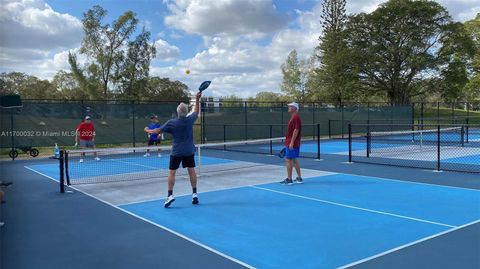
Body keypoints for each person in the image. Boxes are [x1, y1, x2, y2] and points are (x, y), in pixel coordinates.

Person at [147, 92, 202, 208]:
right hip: (189, 151)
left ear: (177, 112)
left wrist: (148, 131)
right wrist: (197, 98)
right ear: (186, 112)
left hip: (177, 152)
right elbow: (197, 111)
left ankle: (170, 195)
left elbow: (157, 131)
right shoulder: (190, 120)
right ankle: (194, 194)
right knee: (191, 171)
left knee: (172, 172)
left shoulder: (171, 123)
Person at [280, 102, 303, 185]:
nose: (288, 107)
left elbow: (296, 130)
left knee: (288, 160)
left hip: (292, 143)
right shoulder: (294, 117)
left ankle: (289, 179)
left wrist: (292, 142)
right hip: (291, 142)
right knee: (293, 159)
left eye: (290, 106)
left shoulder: (296, 117)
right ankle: (299, 178)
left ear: (294, 108)